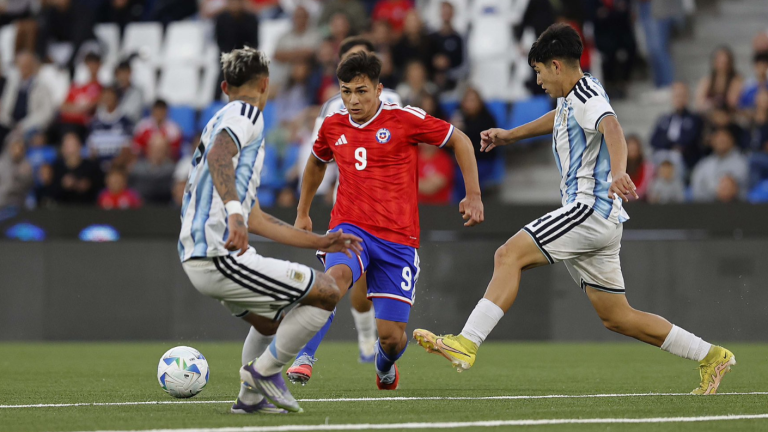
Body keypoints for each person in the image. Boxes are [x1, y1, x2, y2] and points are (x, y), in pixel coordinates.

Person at [412, 23, 735, 396]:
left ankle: (467, 343)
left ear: (555, 65)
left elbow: (612, 127)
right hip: (601, 218)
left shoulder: (585, 94)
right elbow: (560, 118)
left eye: (538, 71)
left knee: (508, 254)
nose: (537, 81)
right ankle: (711, 355)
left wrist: (618, 173)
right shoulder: (576, 93)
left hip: (589, 209)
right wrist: (510, 135)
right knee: (618, 317)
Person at [178, 46, 362, 414]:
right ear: (265, 84)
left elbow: (257, 218)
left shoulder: (221, 116)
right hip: (219, 253)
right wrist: (233, 214)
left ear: (224, 86)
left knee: (269, 321)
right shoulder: (246, 113)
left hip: (201, 255)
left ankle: (250, 402)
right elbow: (218, 157)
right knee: (327, 292)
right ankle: (263, 373)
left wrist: (319, 240)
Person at [292, 51, 483, 390]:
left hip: (398, 240)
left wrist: (473, 195)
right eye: (346, 91)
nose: (352, 100)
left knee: (392, 338)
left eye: (361, 91)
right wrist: (303, 212)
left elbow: (460, 140)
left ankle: (384, 366)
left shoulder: (405, 119)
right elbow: (316, 163)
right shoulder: (333, 125)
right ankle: (305, 356)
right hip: (349, 227)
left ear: (379, 90)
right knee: (334, 280)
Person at [288, 37, 404, 382]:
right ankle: (312, 353)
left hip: (389, 215)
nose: (353, 95)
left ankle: (377, 346)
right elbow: (318, 154)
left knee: (371, 300)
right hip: (349, 207)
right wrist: (310, 203)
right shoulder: (330, 108)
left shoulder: (394, 101)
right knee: (338, 281)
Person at [0, 51, 55, 145]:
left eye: (26, 65)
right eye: (20, 64)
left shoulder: (41, 86)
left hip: (30, 127)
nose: (22, 68)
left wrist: (24, 125)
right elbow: (4, 107)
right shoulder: (11, 84)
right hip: (9, 124)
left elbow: (46, 113)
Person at [690, 128, 748, 202]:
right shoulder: (704, 163)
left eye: (724, 139)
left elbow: (730, 190)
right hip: (707, 206)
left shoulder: (741, 162)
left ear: (732, 141)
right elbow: (696, 186)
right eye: (718, 139)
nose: (721, 142)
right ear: (712, 142)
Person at [695, 47, 742, 112]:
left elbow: (732, 102)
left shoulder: (736, 80)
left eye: (725, 62)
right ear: (714, 63)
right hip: (710, 115)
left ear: (730, 63)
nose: (722, 65)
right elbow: (699, 102)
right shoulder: (707, 80)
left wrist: (713, 103)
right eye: (719, 62)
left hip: (729, 115)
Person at [625, 135, 653, 201]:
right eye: (630, 149)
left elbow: (647, 189)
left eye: (634, 149)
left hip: (643, 204)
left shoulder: (648, 168)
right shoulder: (617, 168)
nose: (632, 149)